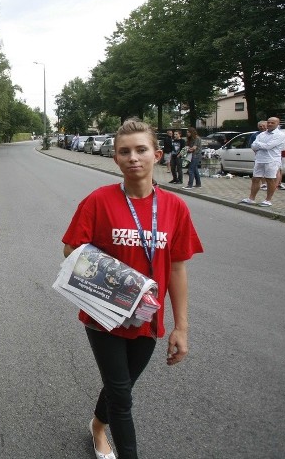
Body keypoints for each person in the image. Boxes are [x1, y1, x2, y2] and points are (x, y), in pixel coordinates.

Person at [62, 119, 203, 459]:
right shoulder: (99, 201)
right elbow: (71, 249)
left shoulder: (175, 207)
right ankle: (112, 442)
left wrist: (181, 327)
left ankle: (97, 424)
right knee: (122, 395)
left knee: (120, 385)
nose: (133, 158)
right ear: (115, 159)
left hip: (146, 317)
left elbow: (177, 267)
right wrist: (113, 277)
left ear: (157, 155)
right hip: (104, 315)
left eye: (141, 150)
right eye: (124, 152)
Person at [240, 116, 285, 207]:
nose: (269, 124)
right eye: (268, 122)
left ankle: (268, 200)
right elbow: (253, 145)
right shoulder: (261, 134)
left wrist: (259, 145)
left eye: (272, 123)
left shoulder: (280, 135)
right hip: (259, 159)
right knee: (255, 179)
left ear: (277, 124)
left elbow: (268, 146)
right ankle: (251, 198)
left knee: (270, 179)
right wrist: (261, 145)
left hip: (272, 160)